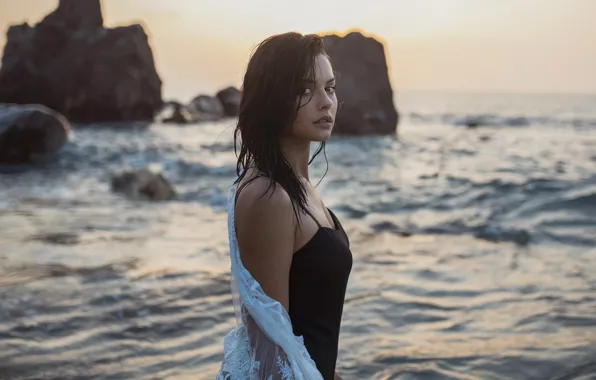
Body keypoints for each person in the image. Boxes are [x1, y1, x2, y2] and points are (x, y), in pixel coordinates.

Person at [217, 32, 353, 380]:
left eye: (330, 87)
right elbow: (270, 352)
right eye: (306, 89)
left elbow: (305, 336)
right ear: (273, 97)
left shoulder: (300, 186)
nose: (325, 102)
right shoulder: (269, 195)